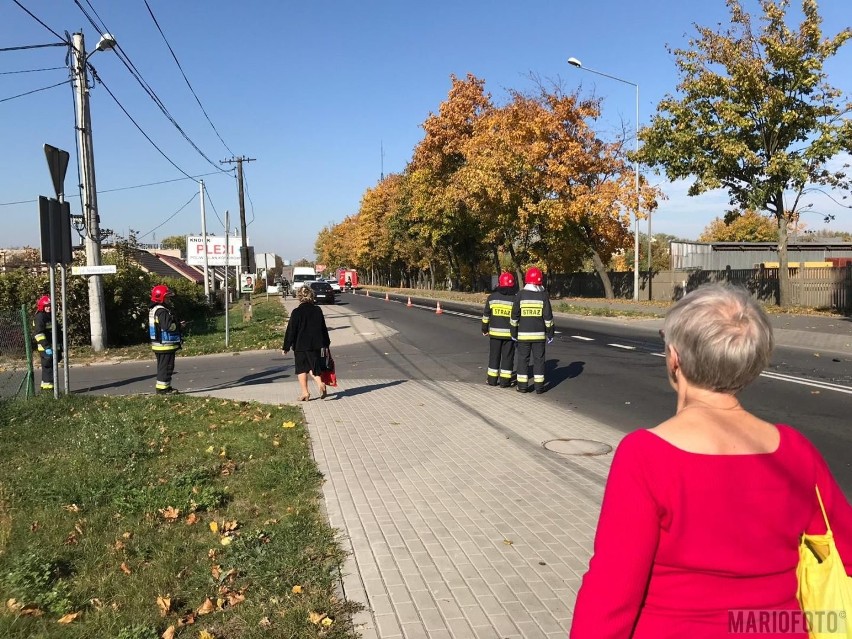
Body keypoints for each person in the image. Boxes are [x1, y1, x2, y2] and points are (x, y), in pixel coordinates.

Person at [570, 283, 852, 639]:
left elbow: (612, 592)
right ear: (754, 364)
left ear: (675, 358)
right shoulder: (796, 451)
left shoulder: (645, 455)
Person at [282, 284, 331, 401]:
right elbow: (323, 328)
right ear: (312, 296)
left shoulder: (296, 312)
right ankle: (320, 384)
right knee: (313, 366)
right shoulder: (317, 310)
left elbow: (291, 330)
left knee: (301, 368)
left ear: (299, 297)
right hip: (316, 344)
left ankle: (305, 393)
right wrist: (326, 343)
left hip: (300, 345)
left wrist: (286, 346)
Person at [510, 266, 554, 393]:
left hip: (523, 336)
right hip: (539, 336)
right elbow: (548, 317)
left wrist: (513, 332)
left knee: (523, 359)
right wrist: (550, 333)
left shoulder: (520, 295)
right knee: (539, 360)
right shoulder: (543, 296)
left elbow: (514, 316)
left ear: (527, 280)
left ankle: (522, 386)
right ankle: (539, 387)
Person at [481, 271, 517, 387]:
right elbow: (517, 318)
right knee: (508, 357)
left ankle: (491, 380)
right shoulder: (515, 299)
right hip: (509, 335)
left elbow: (486, 315)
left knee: (494, 356)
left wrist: (484, 329)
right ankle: (505, 381)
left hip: (495, 333)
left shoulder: (492, 298)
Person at [148, 284, 183, 394]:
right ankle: (163, 390)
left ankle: (164, 388)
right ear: (161, 297)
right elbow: (168, 326)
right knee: (167, 367)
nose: (168, 299)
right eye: (167, 297)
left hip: (159, 344)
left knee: (163, 367)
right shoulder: (162, 311)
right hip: (165, 344)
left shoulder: (155, 309)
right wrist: (179, 326)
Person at [32, 294, 61, 392]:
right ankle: (48, 390)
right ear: (42, 307)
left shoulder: (50, 316)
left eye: (50, 305)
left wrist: (59, 345)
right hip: (45, 348)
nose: (48, 308)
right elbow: (38, 334)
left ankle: (46, 388)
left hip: (53, 346)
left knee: (51, 368)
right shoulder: (40, 317)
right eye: (46, 306)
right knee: (48, 368)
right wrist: (46, 347)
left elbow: (57, 331)